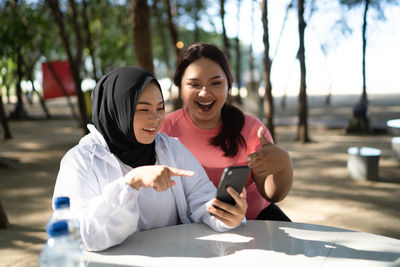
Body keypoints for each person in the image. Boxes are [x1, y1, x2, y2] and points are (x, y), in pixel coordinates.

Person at [52, 66, 247, 252]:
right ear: (117, 110)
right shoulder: (81, 161)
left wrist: (226, 215)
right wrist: (131, 183)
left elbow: (202, 198)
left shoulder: (171, 149)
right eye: (143, 109)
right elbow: (78, 234)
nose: (155, 119)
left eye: (160, 108)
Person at [160, 43, 293, 221]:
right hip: (189, 227)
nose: (204, 93)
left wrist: (284, 167)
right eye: (194, 84)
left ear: (228, 84)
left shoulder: (252, 129)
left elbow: (272, 195)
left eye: (216, 83)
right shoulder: (164, 128)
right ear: (179, 86)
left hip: (253, 222)